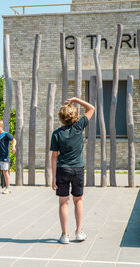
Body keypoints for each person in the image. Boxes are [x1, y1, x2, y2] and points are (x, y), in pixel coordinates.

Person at [50, 97, 95, 244]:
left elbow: (54, 157)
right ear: (75, 116)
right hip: (78, 169)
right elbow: (92, 108)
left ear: (61, 117)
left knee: (64, 202)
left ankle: (64, 235)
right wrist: (75, 99)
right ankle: (79, 232)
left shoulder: (56, 134)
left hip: (62, 170)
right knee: (78, 200)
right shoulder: (79, 126)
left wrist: (53, 177)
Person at [0, 119, 16, 194]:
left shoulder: (6, 134)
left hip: (4, 156)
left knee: (5, 172)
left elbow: (14, 140)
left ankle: (8, 188)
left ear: (2, 127)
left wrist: (13, 147)